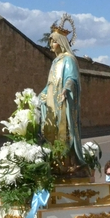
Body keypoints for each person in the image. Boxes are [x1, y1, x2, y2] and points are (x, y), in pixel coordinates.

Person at [38, 23, 85, 175]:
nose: (51, 44)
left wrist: (66, 89)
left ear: (61, 42)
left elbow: (72, 78)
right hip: (52, 102)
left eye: (54, 41)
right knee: (52, 131)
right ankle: (55, 161)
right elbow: (50, 84)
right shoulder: (55, 62)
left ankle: (70, 162)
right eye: (50, 41)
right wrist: (40, 97)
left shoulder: (68, 59)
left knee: (65, 131)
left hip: (63, 101)